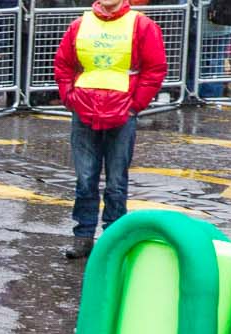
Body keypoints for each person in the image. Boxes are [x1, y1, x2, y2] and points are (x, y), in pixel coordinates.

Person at [54, 0, 167, 261]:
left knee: (116, 182)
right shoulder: (80, 24)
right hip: (85, 111)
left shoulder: (141, 25)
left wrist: (134, 105)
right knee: (85, 181)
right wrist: (70, 98)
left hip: (121, 113)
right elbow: (63, 64)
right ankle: (83, 237)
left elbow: (155, 68)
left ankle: (113, 239)